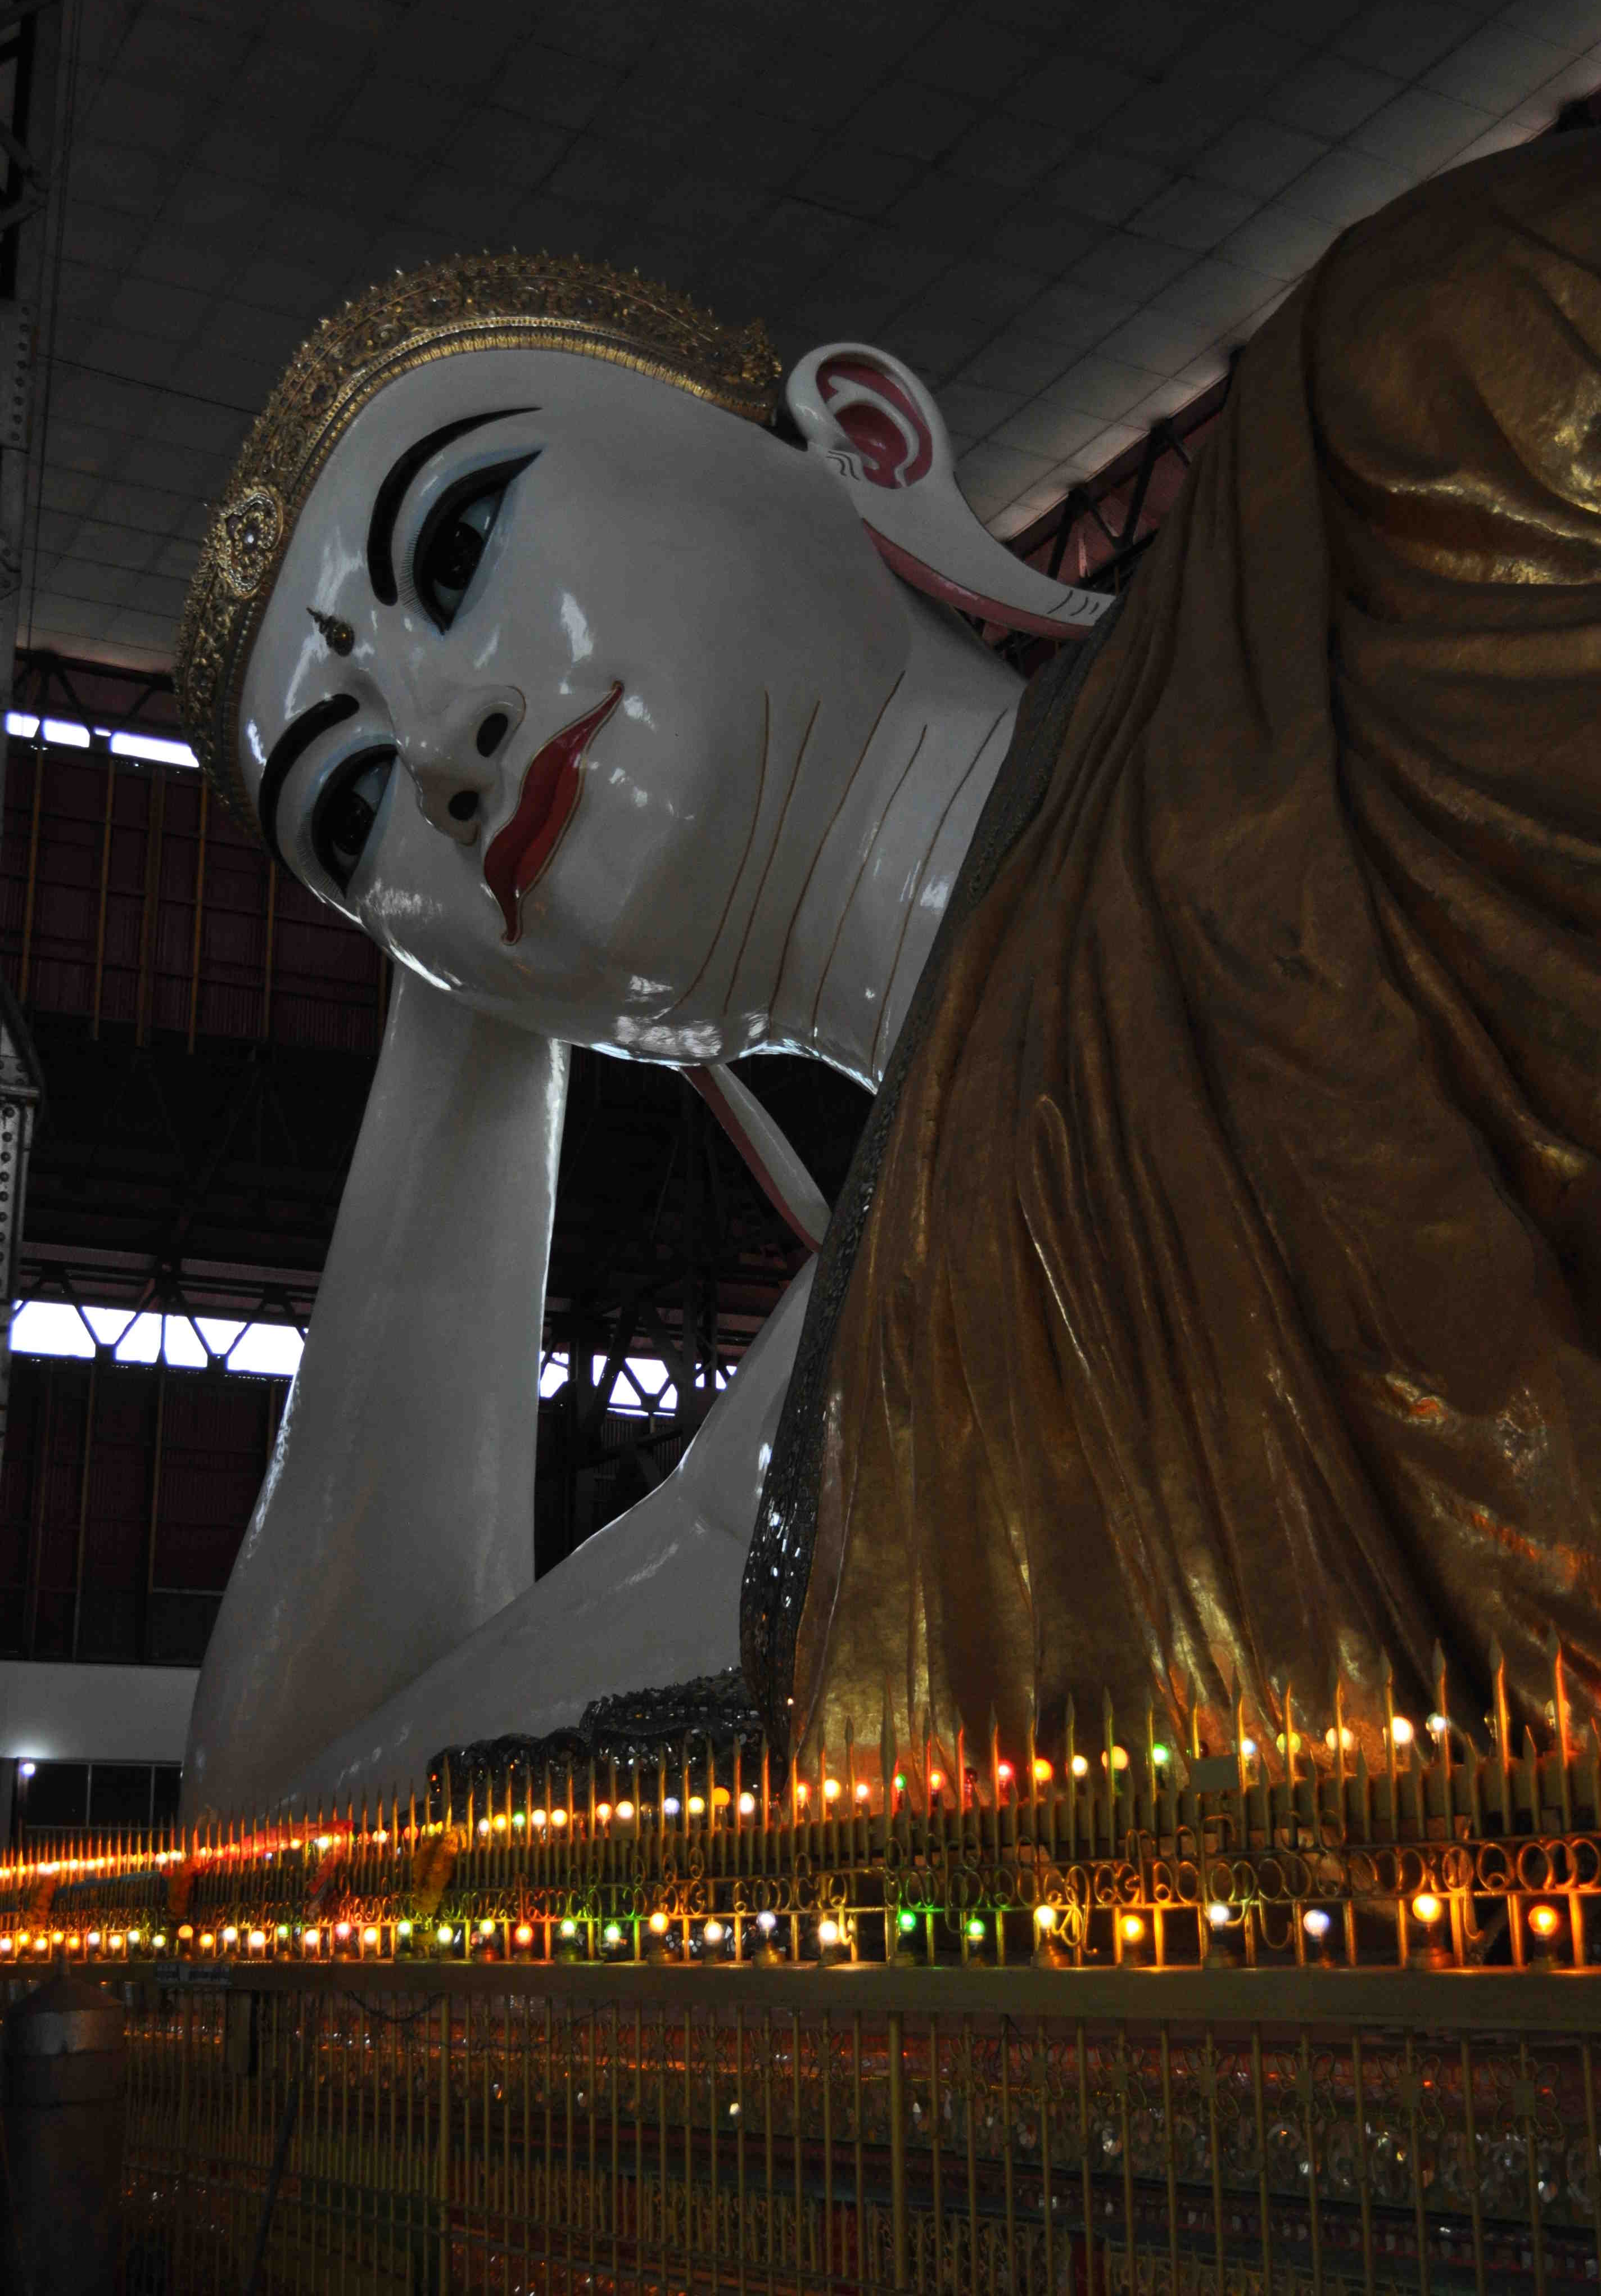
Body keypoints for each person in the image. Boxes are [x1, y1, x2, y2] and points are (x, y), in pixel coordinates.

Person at [178, 137, 1601, 1823]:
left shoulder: (1413, 421)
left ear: (865, 447)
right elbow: (273, 1838)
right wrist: (464, 997)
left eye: (463, 538)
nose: (432, 751)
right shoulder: (858, 1409)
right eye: (351, 811)